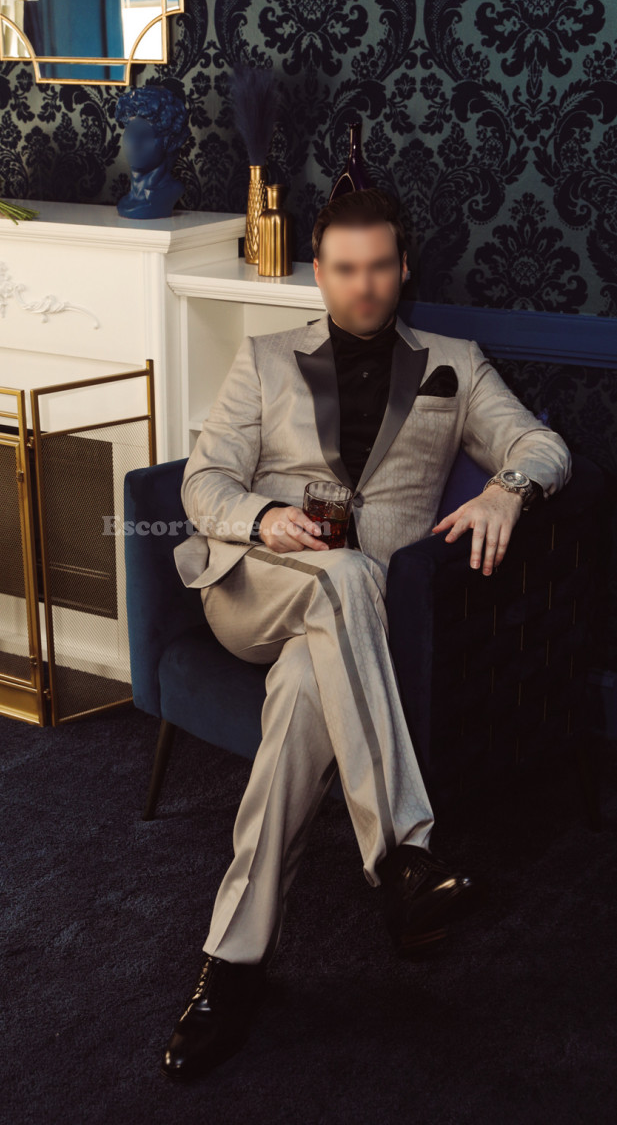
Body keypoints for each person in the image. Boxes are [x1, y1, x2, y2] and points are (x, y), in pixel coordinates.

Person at [160, 189, 573, 1082]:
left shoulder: (454, 365)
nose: (364, 286)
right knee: (342, 575)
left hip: (353, 621)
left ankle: (231, 964)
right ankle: (404, 857)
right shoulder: (264, 358)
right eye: (345, 269)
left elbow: (542, 445)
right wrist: (262, 516)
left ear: (402, 267)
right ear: (319, 273)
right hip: (256, 588)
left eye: (379, 266)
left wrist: (506, 490)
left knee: (304, 694)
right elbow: (202, 480)